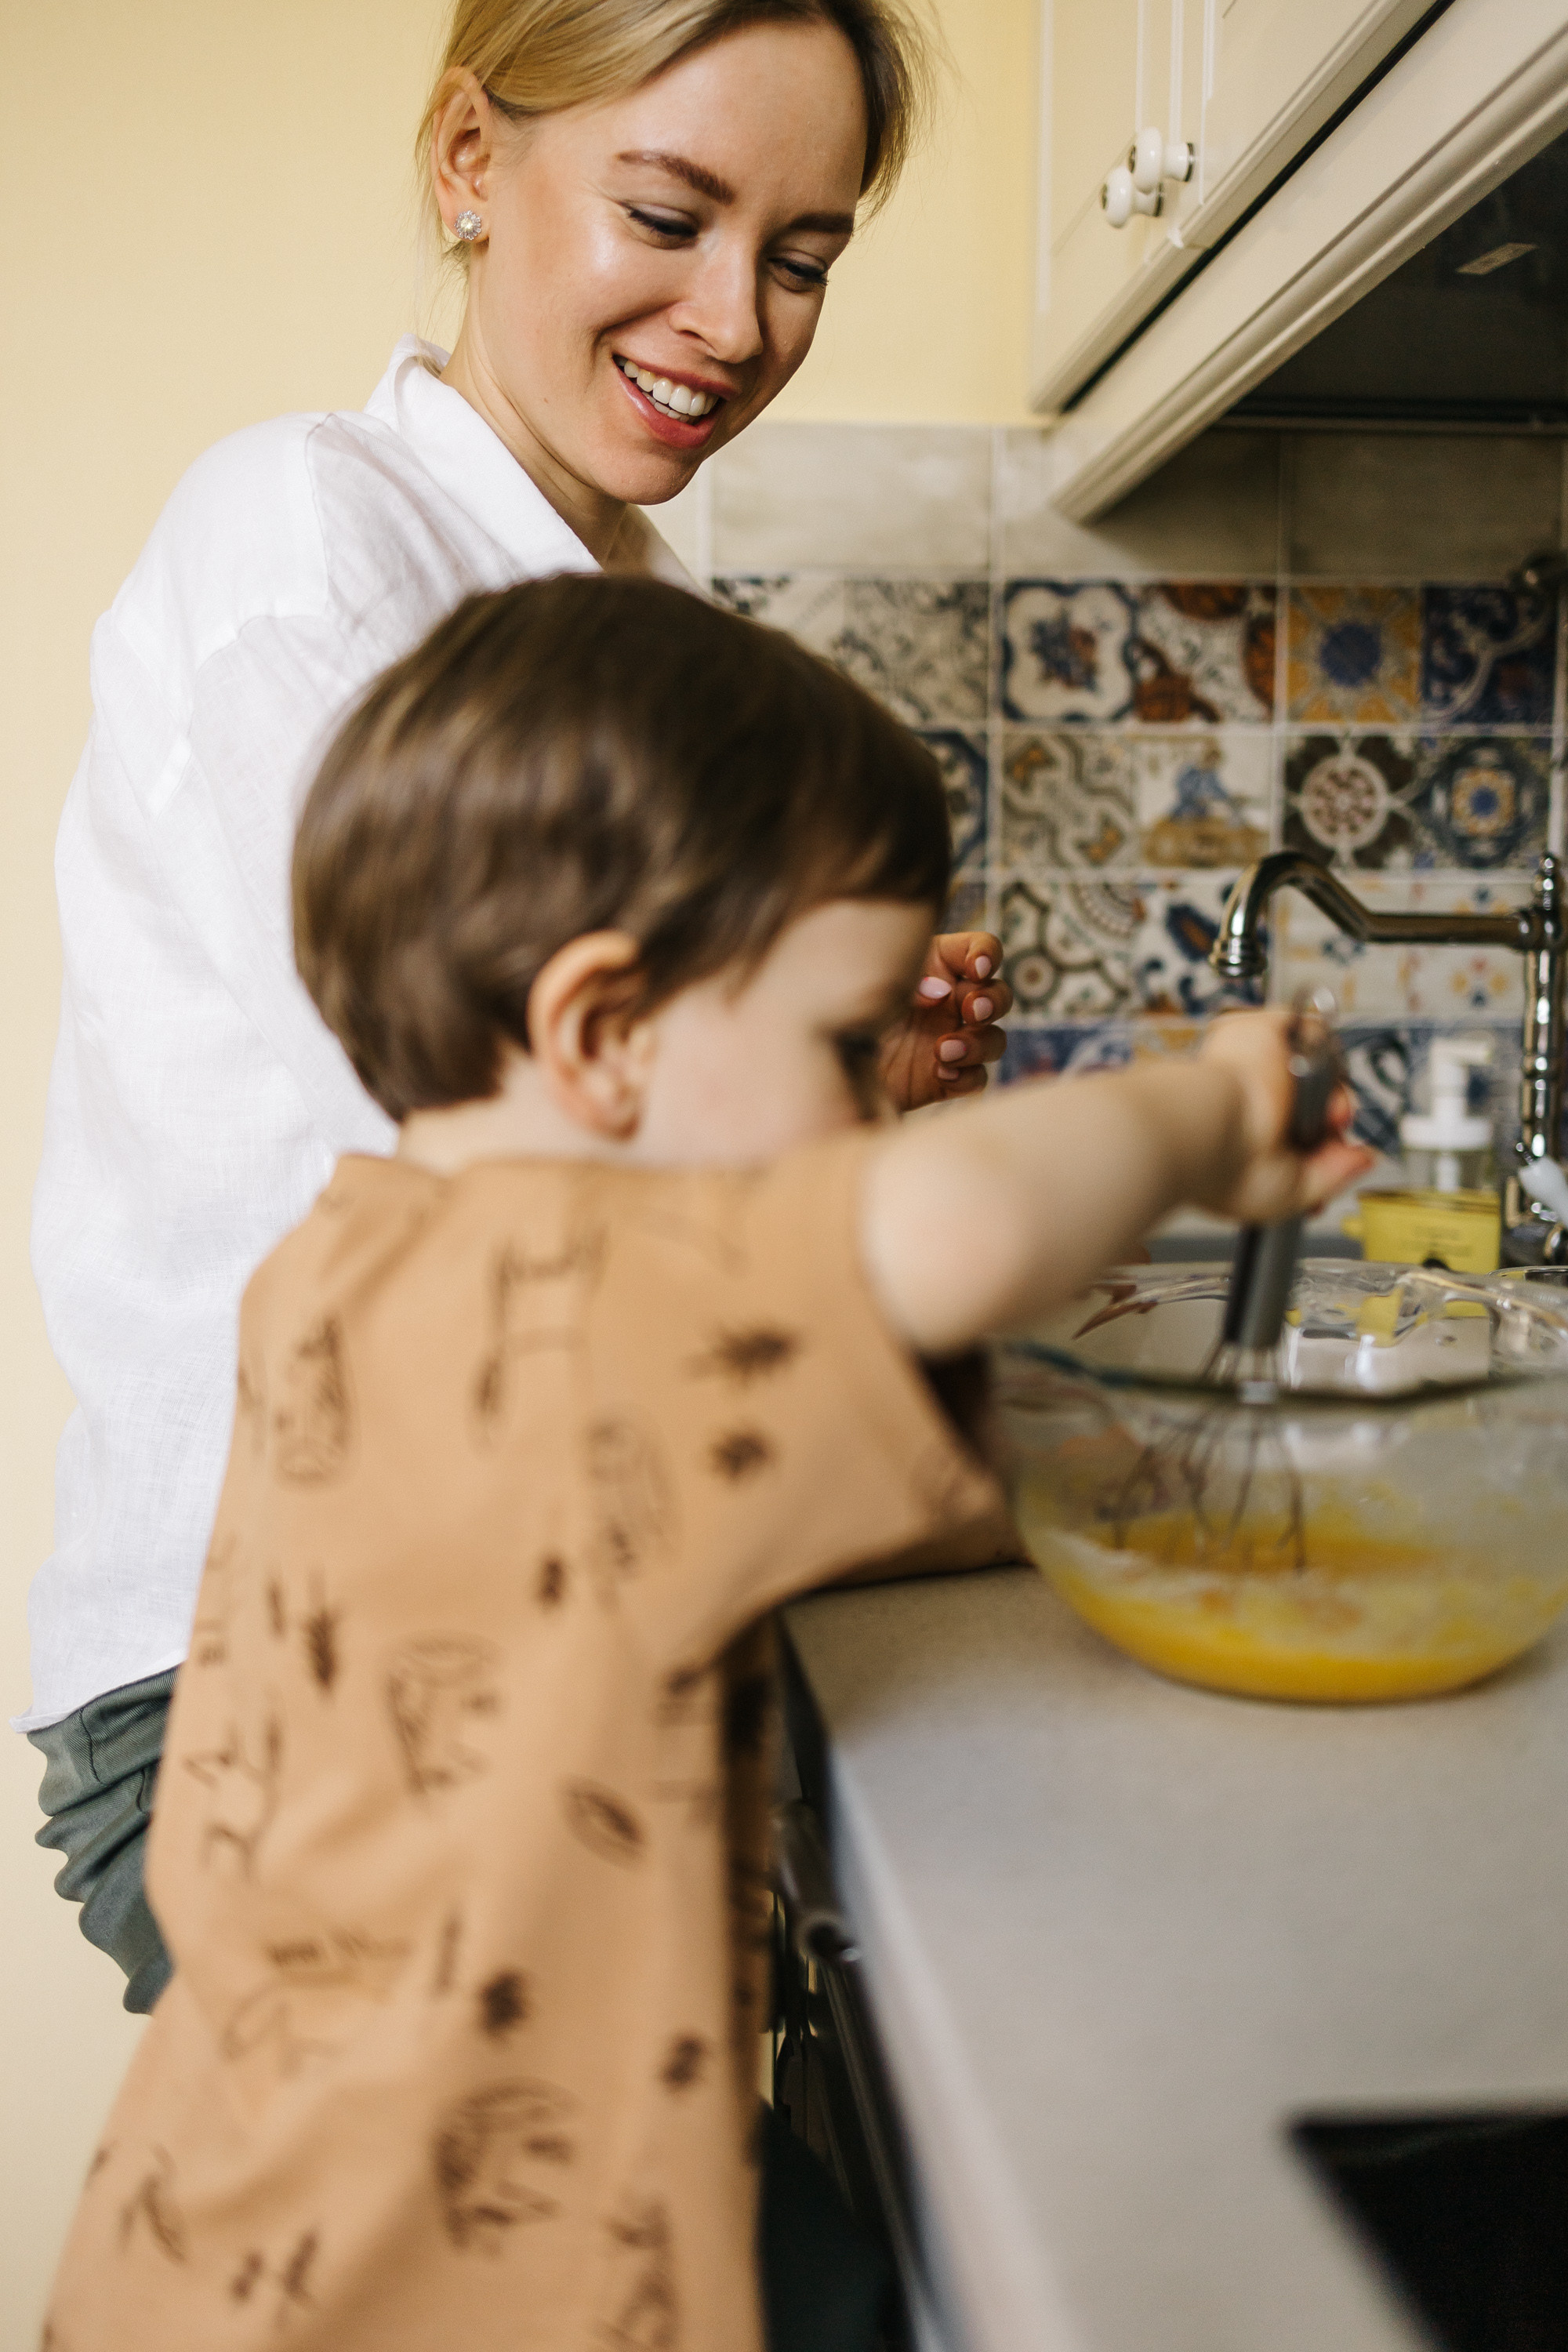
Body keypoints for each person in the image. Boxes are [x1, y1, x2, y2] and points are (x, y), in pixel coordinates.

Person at [43, 575, 1370, 2352]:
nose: (856, 1114)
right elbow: (959, 1232)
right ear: (600, 1034)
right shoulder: (579, 1292)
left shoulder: (354, 1262)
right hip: (446, 2281)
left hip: (213, 2230)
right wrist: (1210, 1107)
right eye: (835, 1048)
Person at [24, 0, 1013, 2016]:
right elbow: (507, 1206)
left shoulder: (633, 620)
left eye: (805, 254)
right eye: (668, 212)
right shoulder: (316, 545)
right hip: (280, 1670)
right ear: (473, 163)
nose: (735, 320)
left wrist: (849, 1079)